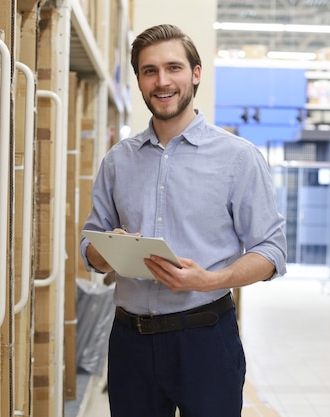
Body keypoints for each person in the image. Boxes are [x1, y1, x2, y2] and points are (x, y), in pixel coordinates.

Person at [80, 23, 287, 417]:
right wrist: (109, 251)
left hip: (205, 340)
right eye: (149, 71)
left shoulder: (238, 158)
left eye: (173, 68)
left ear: (195, 73)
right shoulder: (118, 161)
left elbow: (272, 251)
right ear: (139, 80)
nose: (162, 81)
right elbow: (89, 248)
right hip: (131, 343)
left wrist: (210, 280)